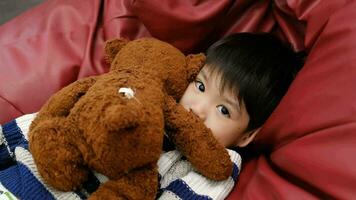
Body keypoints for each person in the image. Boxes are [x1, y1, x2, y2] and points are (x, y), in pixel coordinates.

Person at [0, 32, 303, 200]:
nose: (197, 109)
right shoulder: (151, 96)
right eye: (200, 85)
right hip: (24, 174)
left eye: (224, 110)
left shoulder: (217, 165)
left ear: (247, 134)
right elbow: (55, 119)